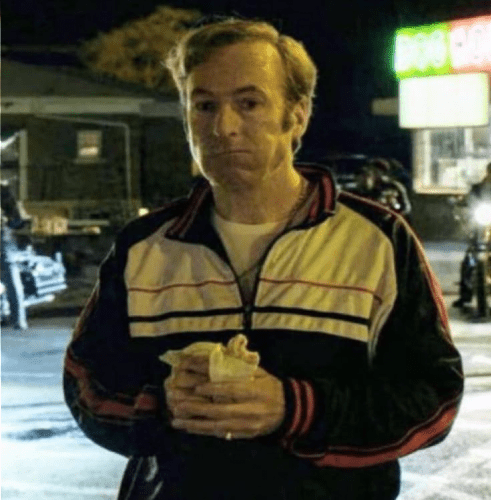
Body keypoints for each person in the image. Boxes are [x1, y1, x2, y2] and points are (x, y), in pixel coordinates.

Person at [63, 18, 463, 500]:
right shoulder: (144, 247)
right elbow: (86, 384)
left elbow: (434, 398)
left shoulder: (376, 240)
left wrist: (294, 409)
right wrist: (161, 405)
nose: (223, 127)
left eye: (249, 103)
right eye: (204, 105)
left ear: (297, 116)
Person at [453, 161, 491, 309]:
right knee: (469, 258)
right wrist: (461, 205)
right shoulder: (477, 189)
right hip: (483, 226)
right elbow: (467, 201)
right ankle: (465, 295)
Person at [1, 179, 28, 330]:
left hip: (3, 241)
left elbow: (17, 220)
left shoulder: (3, 191)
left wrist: (6, 221)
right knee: (10, 279)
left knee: (11, 279)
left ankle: (18, 319)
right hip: (4, 240)